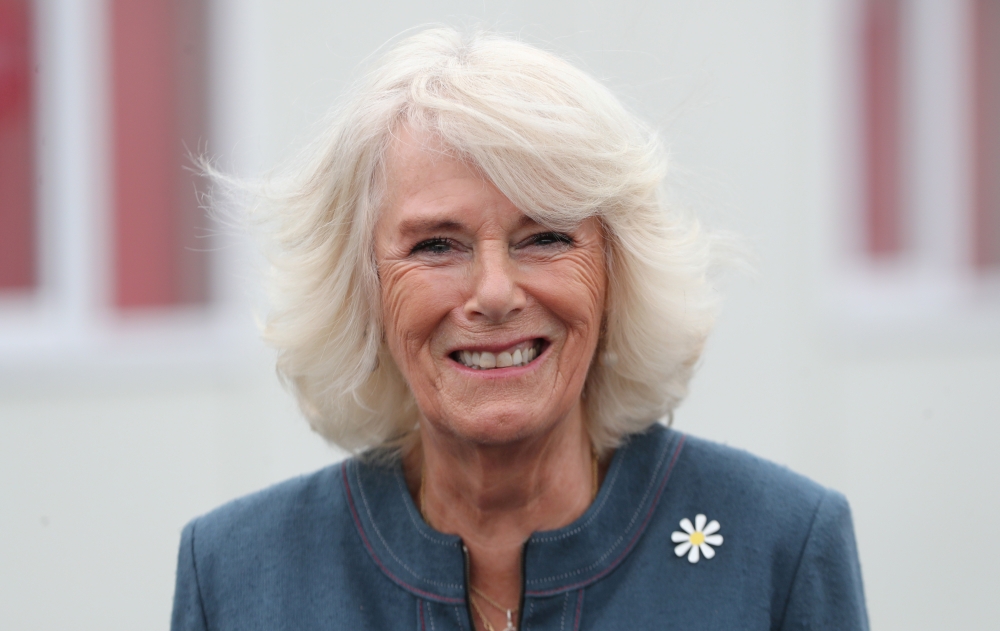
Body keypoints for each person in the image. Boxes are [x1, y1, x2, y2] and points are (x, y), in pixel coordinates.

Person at [171, 27, 868, 631]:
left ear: (617, 272)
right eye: (436, 246)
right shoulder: (238, 576)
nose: (496, 292)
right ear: (364, 290)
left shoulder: (779, 545)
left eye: (545, 237)